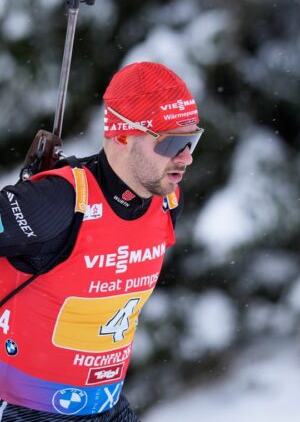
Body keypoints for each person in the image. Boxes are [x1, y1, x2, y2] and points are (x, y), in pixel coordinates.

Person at [0, 61, 203, 421]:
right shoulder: (61, 200)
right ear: (123, 135)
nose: (185, 157)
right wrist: (34, 205)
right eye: (173, 142)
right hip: (25, 410)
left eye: (191, 140)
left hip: (107, 408)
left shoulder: (168, 201)